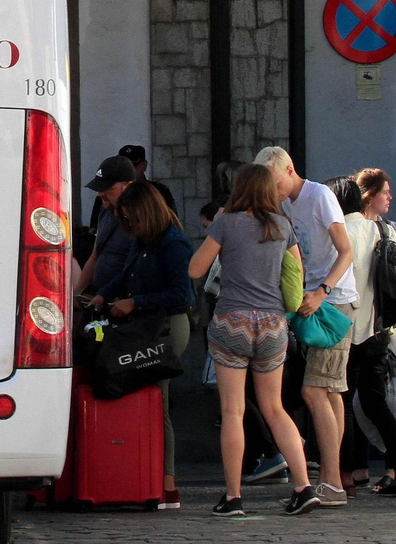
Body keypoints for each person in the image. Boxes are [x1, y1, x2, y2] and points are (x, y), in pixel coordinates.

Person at [188, 163, 320, 517]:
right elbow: (297, 275)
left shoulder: (226, 223)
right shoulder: (282, 226)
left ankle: (233, 498)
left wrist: (219, 226)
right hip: (274, 324)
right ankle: (303, 486)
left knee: (233, 411)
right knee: (275, 409)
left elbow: (195, 270)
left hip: (233, 320)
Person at [257, 146, 355, 508]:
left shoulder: (320, 195)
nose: (273, 190)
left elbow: (346, 250)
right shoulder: (283, 204)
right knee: (330, 392)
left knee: (315, 392)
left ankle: (332, 482)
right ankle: (333, 477)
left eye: (275, 181)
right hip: (307, 302)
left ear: (289, 169)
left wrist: (323, 290)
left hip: (333, 300)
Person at [94, 181, 195, 511]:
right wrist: (102, 295)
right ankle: (150, 477)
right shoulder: (143, 240)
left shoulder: (174, 243)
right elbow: (126, 276)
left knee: (158, 400)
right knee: (150, 401)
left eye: (133, 219)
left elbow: (183, 295)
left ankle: (167, 482)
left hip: (167, 327)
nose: (131, 226)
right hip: (145, 326)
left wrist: (136, 302)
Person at [336, 170, 396, 496]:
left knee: (340, 404)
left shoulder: (343, 230)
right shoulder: (386, 231)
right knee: (374, 403)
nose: (389, 197)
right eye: (385, 192)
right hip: (379, 329)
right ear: (368, 196)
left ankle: (345, 476)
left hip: (349, 329)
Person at [79, 155, 137, 292]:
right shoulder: (105, 211)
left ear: (127, 187)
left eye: (107, 188)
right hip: (101, 301)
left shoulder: (142, 221)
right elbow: (95, 256)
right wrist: (77, 295)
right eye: (99, 188)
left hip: (124, 303)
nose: (100, 194)